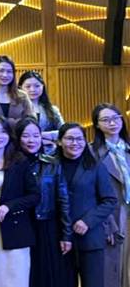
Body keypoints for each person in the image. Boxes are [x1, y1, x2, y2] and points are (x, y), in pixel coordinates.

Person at [0, 117, 39, 287]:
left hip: (15, 223)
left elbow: (34, 195)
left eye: (3, 132)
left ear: (9, 136)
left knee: (15, 272)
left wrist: (9, 206)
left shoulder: (19, 161)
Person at [58, 122, 117, 287]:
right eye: (69, 138)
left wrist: (87, 221)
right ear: (60, 141)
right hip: (60, 238)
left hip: (90, 238)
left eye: (79, 139)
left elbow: (110, 200)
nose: (75, 143)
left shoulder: (96, 167)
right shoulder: (52, 166)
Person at [15, 117, 71, 287]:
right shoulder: (12, 164)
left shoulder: (52, 164)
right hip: (20, 226)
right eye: (26, 136)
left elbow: (63, 200)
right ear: (18, 138)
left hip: (47, 226)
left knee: (48, 275)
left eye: (35, 135)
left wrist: (66, 234)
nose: (31, 140)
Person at [90, 104, 129, 287]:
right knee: (114, 268)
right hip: (113, 214)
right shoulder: (92, 153)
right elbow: (91, 192)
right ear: (97, 125)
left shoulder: (127, 148)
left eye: (115, 118)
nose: (112, 123)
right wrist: (106, 222)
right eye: (105, 120)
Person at [18, 71, 64, 144]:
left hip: (48, 148)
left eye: (37, 86)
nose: (32, 90)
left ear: (43, 86)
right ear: (20, 88)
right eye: (28, 86)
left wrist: (42, 135)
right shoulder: (15, 109)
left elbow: (64, 131)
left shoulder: (52, 110)